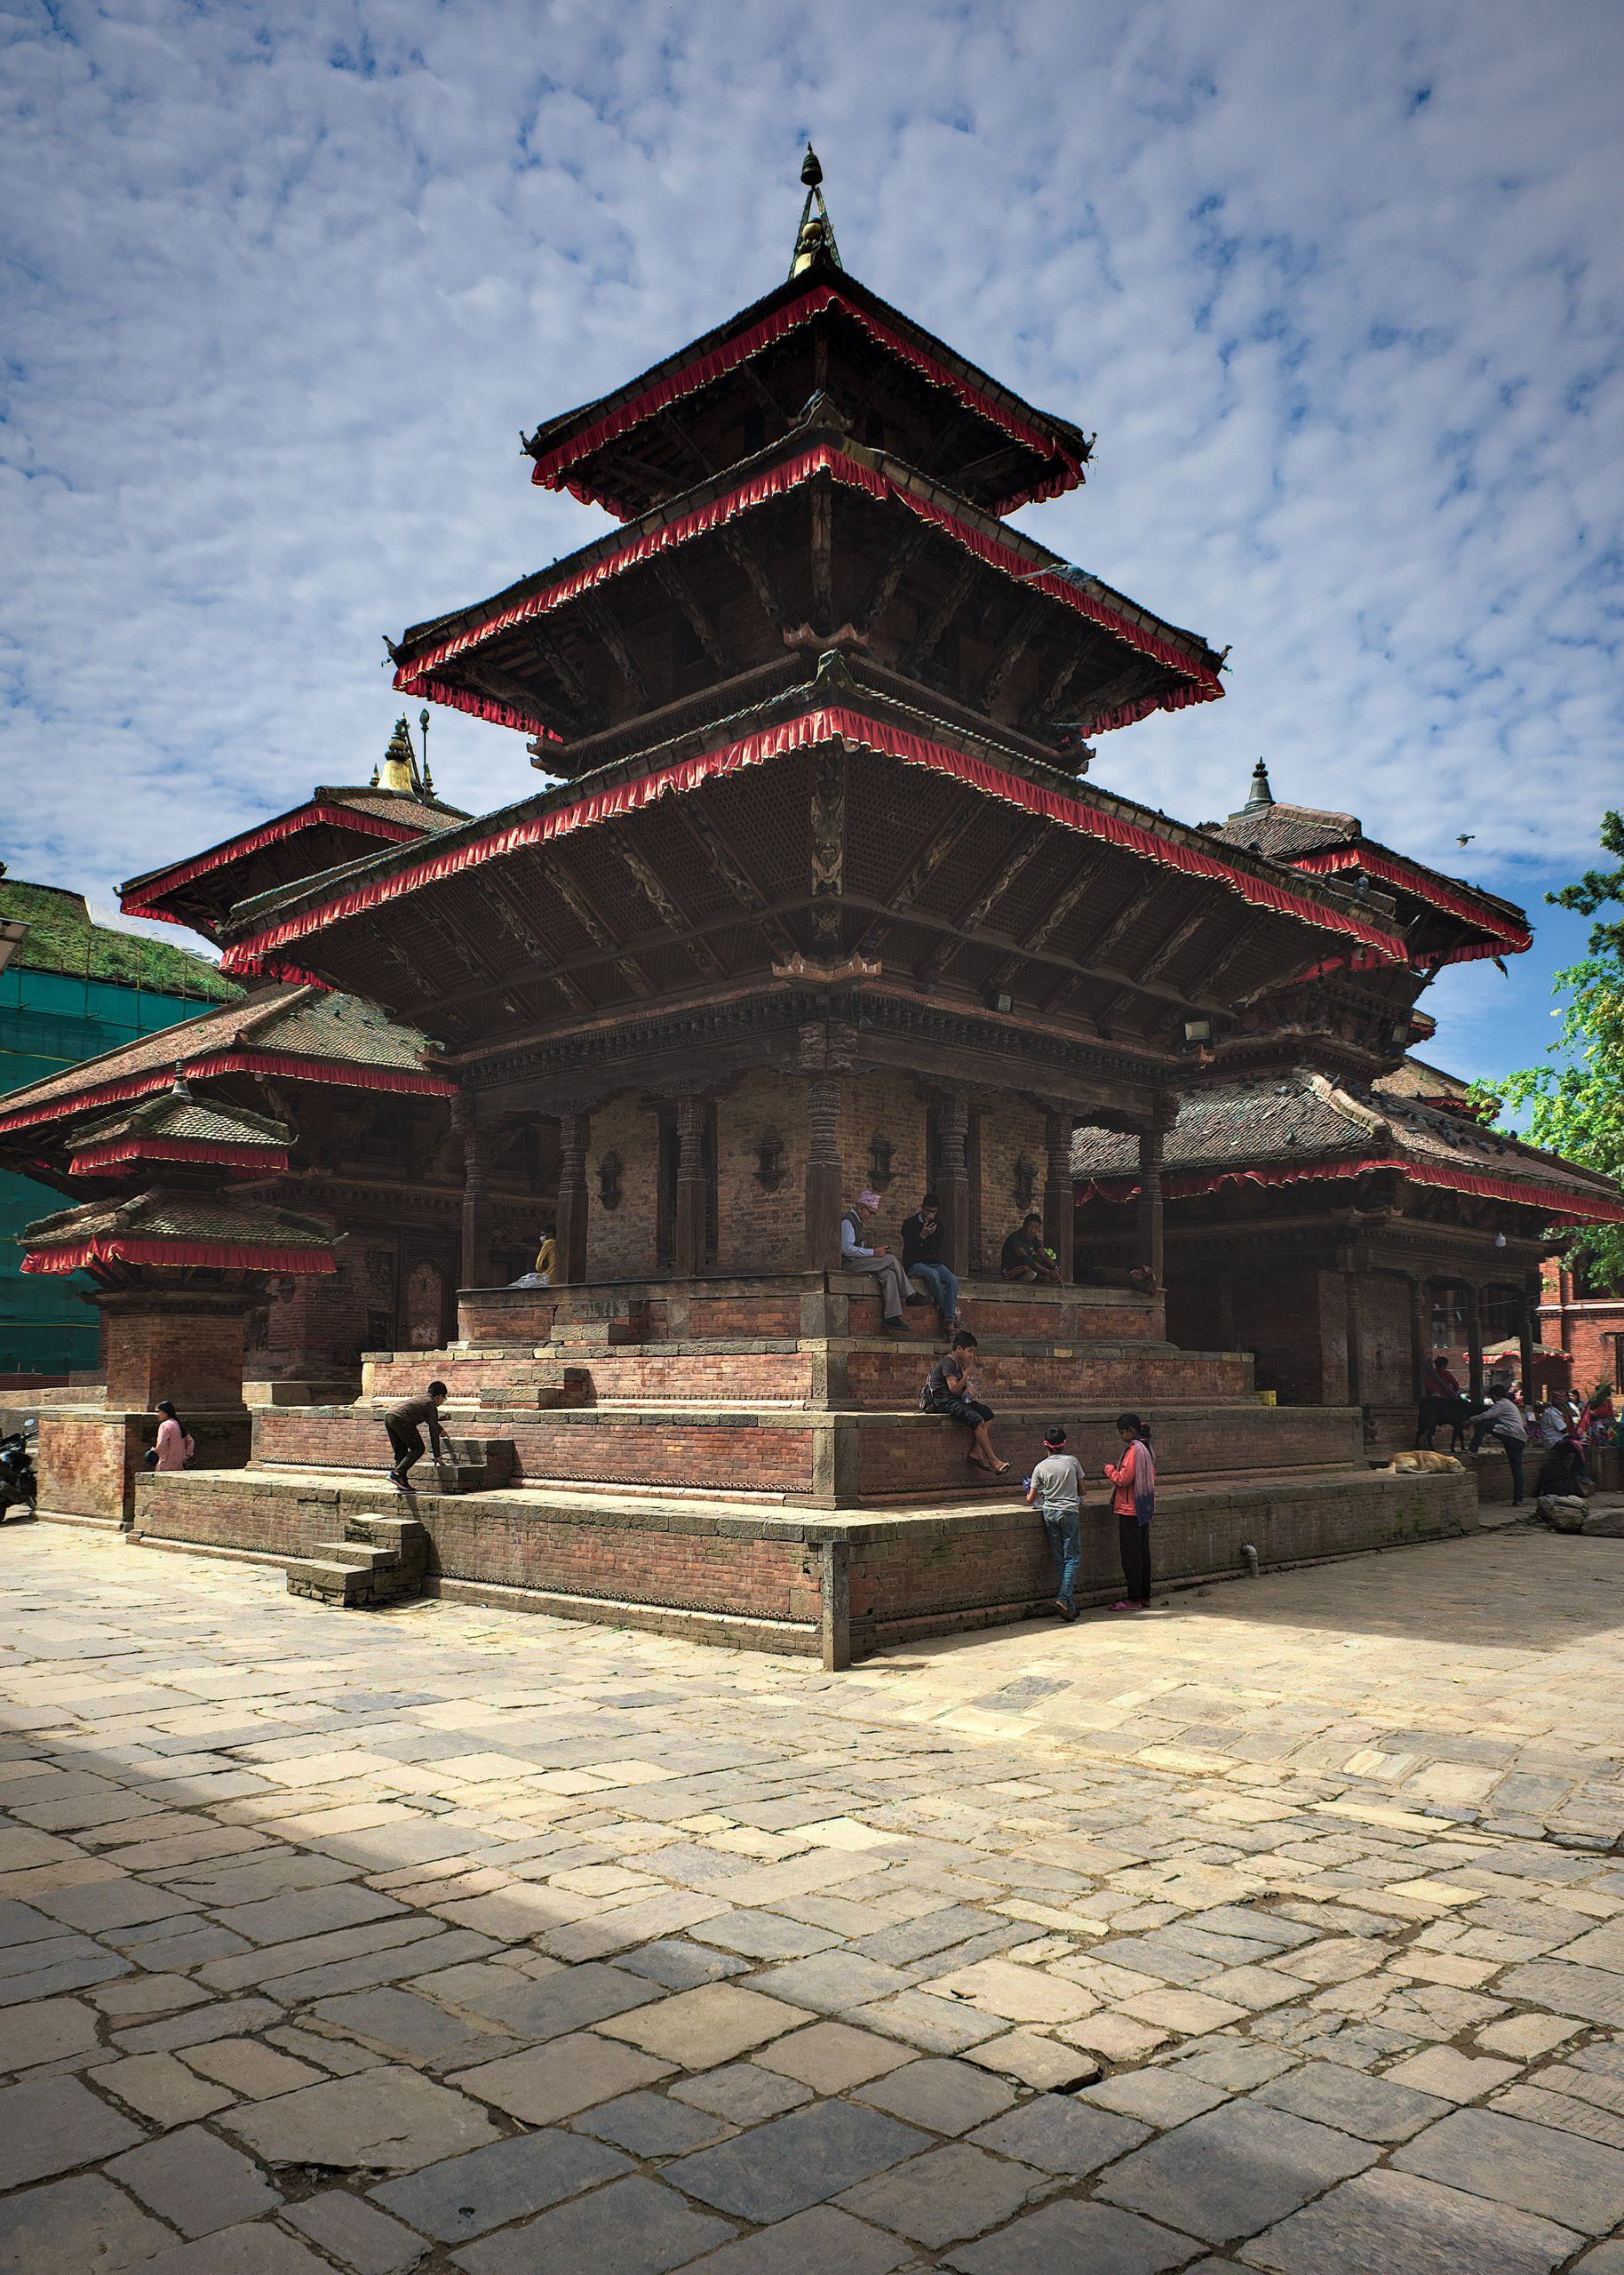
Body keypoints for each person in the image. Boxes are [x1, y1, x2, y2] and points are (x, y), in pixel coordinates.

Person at [922, 1329, 1007, 1473]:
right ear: (959, 1349)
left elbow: (959, 1388)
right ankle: (994, 1461)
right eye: (969, 1351)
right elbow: (954, 1388)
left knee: (987, 1414)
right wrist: (966, 1376)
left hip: (955, 1399)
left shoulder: (958, 1364)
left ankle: (976, 1452)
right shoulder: (948, 1362)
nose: (971, 1355)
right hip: (944, 1402)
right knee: (977, 1420)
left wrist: (968, 1388)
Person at [1025, 1425, 1086, 1621]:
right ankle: (1062, 1598)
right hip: (1068, 1512)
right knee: (1073, 1558)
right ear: (1064, 1444)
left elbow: (1030, 1498)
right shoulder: (1073, 1462)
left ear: (1046, 1445)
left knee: (1061, 1559)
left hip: (1049, 1512)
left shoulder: (1040, 1467)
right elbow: (1082, 1491)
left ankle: (1069, 1606)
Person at [840, 1190, 915, 1333]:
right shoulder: (848, 1221)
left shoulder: (858, 1222)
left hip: (859, 1261)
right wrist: (873, 1252)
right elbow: (846, 1249)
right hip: (849, 1263)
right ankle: (910, 1294)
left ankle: (891, 1316)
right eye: (870, 1212)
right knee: (891, 1259)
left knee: (889, 1274)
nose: (871, 1216)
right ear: (861, 1208)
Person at [1103, 1412, 1156, 1609]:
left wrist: (1109, 1469)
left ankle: (1133, 1599)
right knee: (1143, 1553)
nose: (1121, 1437)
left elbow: (1123, 1478)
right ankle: (1144, 1596)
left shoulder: (1134, 1450)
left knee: (1131, 1555)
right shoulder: (1147, 1447)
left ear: (1131, 1431)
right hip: (1143, 1508)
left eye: (1122, 1432)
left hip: (1130, 1509)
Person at [901, 1192, 959, 1331]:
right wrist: (922, 1236)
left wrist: (927, 1237)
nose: (930, 1215)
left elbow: (933, 1249)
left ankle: (947, 1315)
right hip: (914, 1262)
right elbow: (911, 1249)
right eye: (928, 1211)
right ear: (922, 1208)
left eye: (933, 1212)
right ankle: (950, 1319)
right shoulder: (909, 1224)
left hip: (932, 1261)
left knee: (951, 1279)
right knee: (932, 1275)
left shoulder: (939, 1226)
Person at [1469, 1384, 1527, 1505]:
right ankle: (1518, 1498)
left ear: (1494, 1396)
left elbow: (1486, 1416)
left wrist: (1470, 1420)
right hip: (1520, 1439)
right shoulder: (1511, 1404)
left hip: (1511, 1435)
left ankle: (1473, 1449)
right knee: (1517, 1468)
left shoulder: (1502, 1404)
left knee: (1483, 1424)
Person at [386, 1382, 450, 1490]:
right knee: (418, 1448)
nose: (443, 1401)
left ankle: (402, 1483)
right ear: (439, 1396)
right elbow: (433, 1430)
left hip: (389, 1416)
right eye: (444, 1398)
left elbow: (430, 1421)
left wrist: (440, 1429)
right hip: (402, 1419)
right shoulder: (431, 1405)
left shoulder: (422, 1399)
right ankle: (396, 1474)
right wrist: (437, 1455)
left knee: (401, 1451)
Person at [1001, 1212, 1062, 1284]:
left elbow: (1044, 1255)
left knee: (1050, 1265)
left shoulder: (1033, 1239)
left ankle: (1038, 1277)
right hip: (1009, 1271)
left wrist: (1055, 1268)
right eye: (1031, 1226)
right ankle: (1036, 1277)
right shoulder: (1015, 1237)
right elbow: (1025, 1259)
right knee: (1027, 1262)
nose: (1033, 1231)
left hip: (1028, 1269)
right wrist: (1048, 1272)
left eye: (1036, 1228)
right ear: (1024, 1225)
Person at [508, 1225, 557, 1289]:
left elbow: (539, 1266)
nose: (542, 1237)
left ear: (551, 1234)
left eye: (543, 1234)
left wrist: (543, 1269)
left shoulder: (549, 1243)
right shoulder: (559, 1244)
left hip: (549, 1277)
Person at [153, 1400, 195, 1472]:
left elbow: (161, 1444)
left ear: (166, 1413)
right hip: (179, 1463)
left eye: (159, 1412)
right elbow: (190, 1441)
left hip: (165, 1463)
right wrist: (186, 1455)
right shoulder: (178, 1424)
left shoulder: (165, 1425)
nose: (158, 1415)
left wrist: (154, 1451)